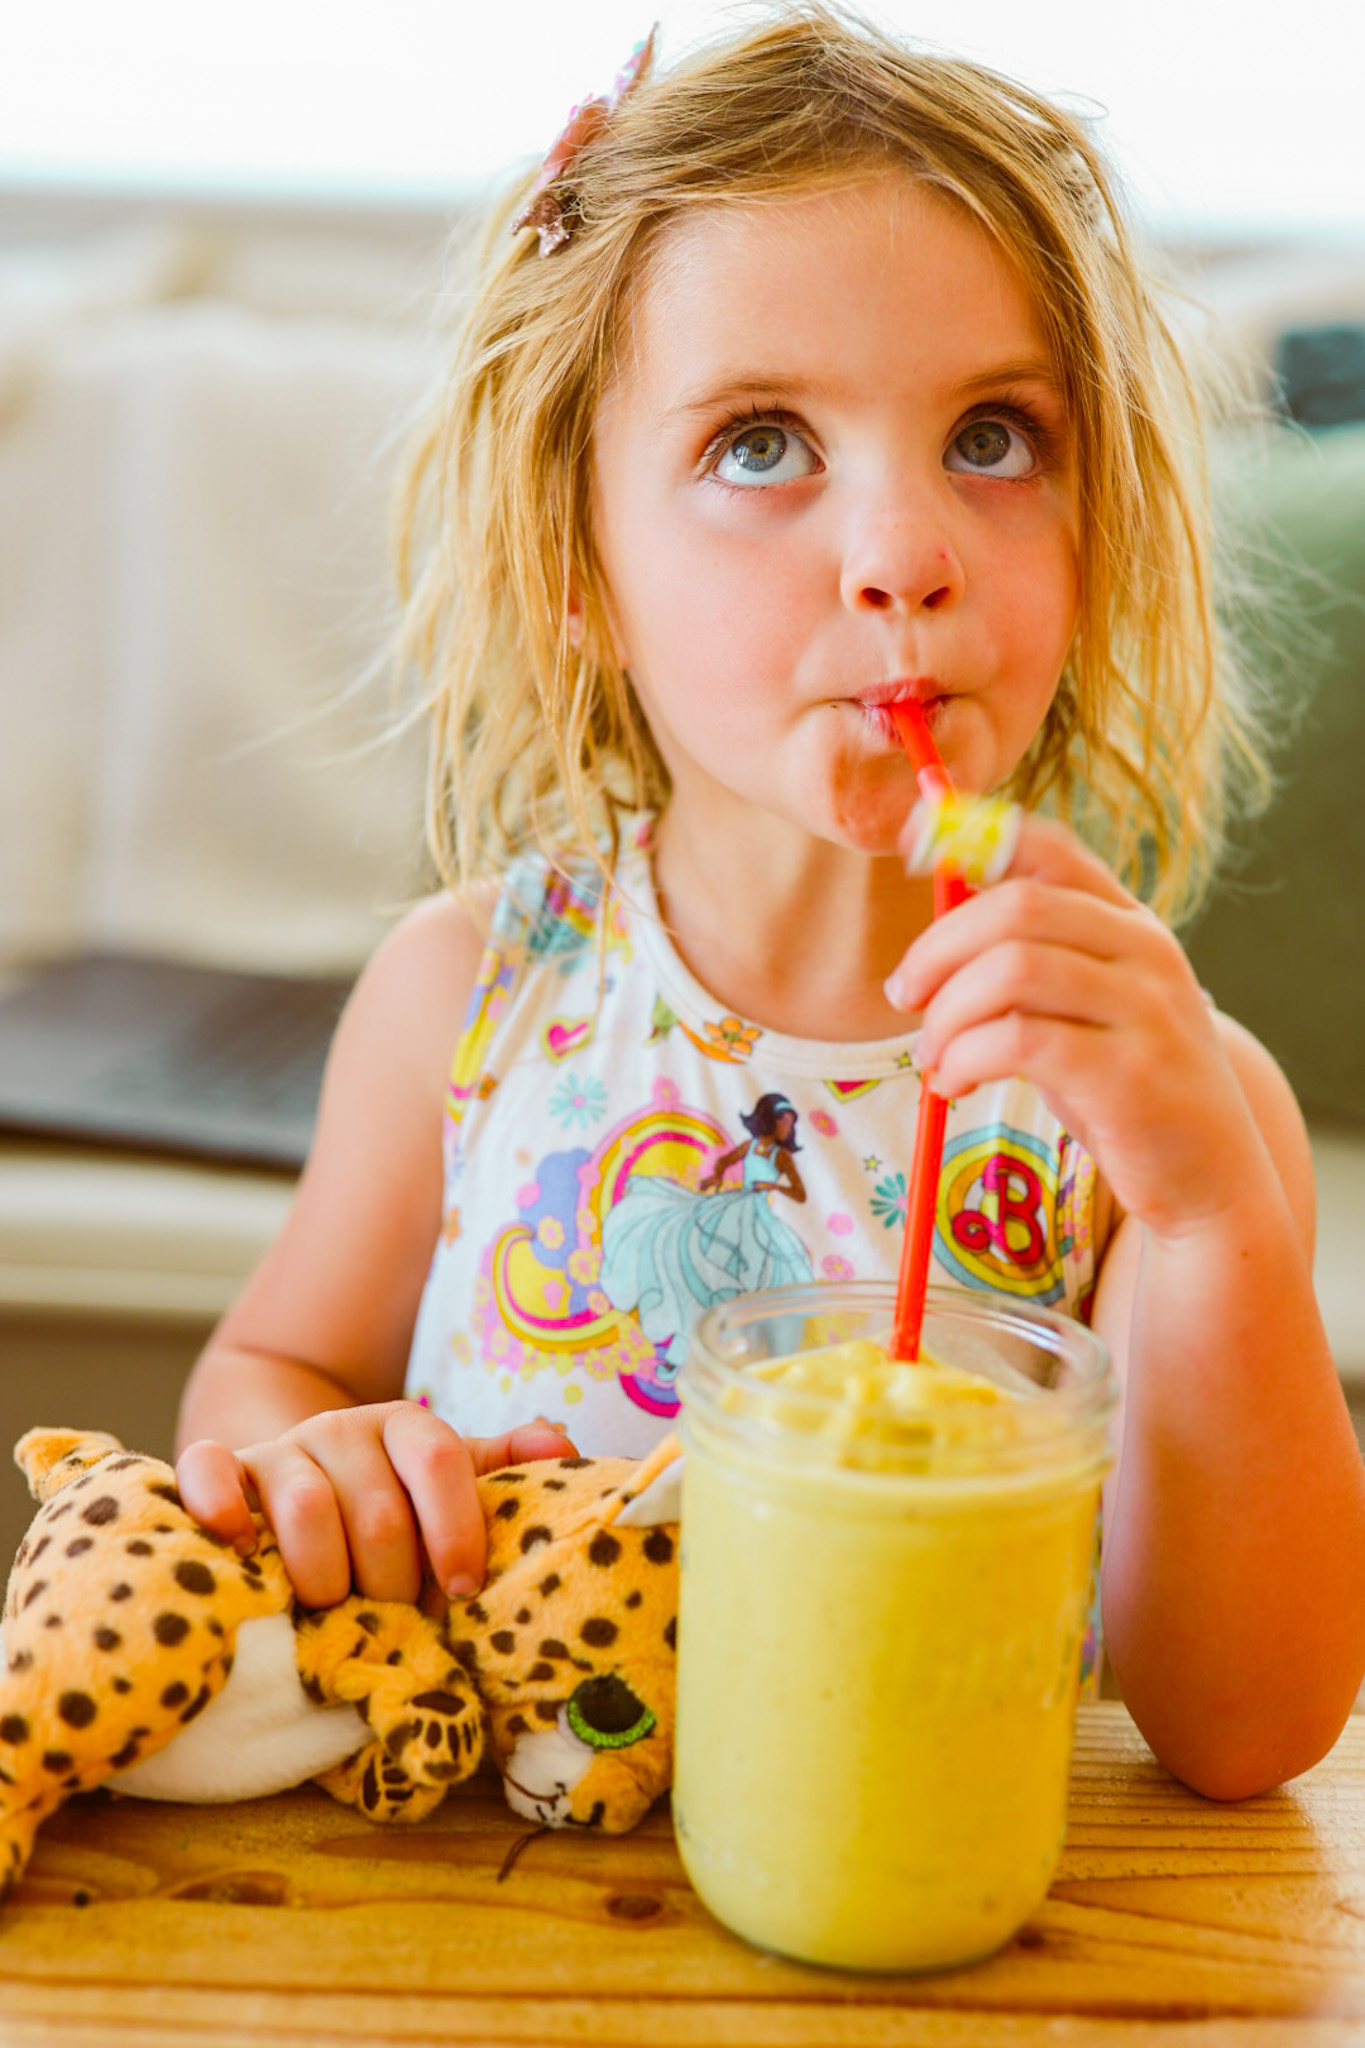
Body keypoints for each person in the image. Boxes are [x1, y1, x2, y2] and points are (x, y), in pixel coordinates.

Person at [175, 4, 1365, 1799]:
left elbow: (1245, 1729)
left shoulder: (1161, 1121)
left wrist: (1208, 1214)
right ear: (576, 562)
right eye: (758, 445)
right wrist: (312, 1458)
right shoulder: (469, 996)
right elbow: (269, 1372)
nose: (902, 554)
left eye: (991, 437)